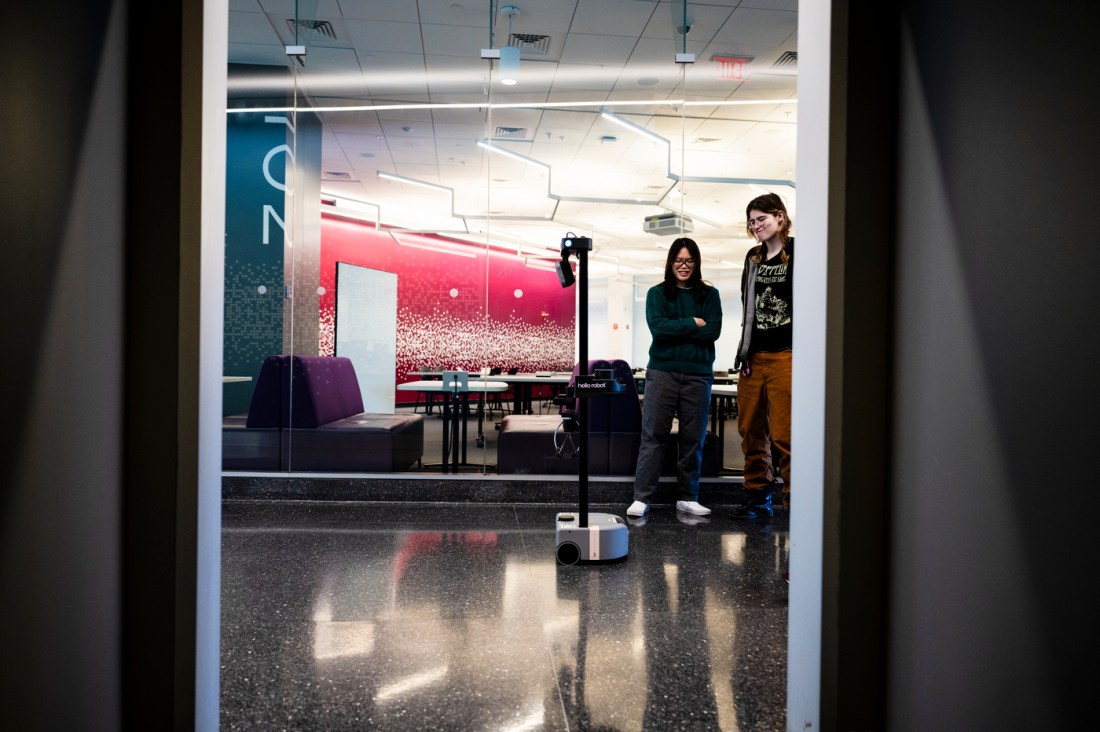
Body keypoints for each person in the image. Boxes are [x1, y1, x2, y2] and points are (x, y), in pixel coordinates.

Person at [627, 238, 722, 518]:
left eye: (689, 261)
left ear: (697, 263)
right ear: (670, 262)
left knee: (693, 438)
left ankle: (687, 497)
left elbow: (713, 331)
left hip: (698, 374)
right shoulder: (657, 294)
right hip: (662, 373)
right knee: (653, 436)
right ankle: (642, 498)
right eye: (679, 261)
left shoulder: (709, 295)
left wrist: (677, 329)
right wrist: (692, 322)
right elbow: (659, 329)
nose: (684, 266)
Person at [730, 192, 794, 519]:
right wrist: (743, 352)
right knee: (750, 430)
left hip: (787, 355)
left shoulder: (796, 252)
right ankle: (757, 498)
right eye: (752, 221)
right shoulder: (752, 258)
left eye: (762, 219)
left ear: (779, 218)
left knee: (785, 433)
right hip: (754, 357)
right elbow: (747, 308)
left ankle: (794, 502)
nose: (756, 226)